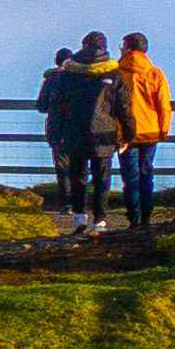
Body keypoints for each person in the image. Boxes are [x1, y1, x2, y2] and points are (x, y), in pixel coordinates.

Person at [33, 34, 107, 230]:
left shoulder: (52, 79)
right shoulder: (88, 75)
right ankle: (95, 213)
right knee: (92, 170)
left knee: (65, 167)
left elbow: (42, 105)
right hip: (88, 128)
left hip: (59, 127)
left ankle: (68, 203)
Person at [104, 30, 172, 232]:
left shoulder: (116, 74)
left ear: (126, 48)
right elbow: (164, 105)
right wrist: (163, 130)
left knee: (130, 176)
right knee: (146, 173)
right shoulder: (154, 74)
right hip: (150, 131)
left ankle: (134, 217)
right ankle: (147, 217)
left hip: (125, 134)